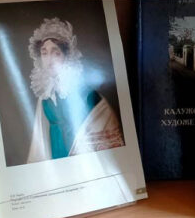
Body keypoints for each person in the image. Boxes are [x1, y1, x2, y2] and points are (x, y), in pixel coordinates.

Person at [26, 17, 124, 163]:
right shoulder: (45, 95)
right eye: (44, 53)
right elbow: (40, 139)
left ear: (67, 56)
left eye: (56, 53)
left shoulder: (86, 93)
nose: (49, 60)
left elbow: (102, 126)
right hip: (56, 160)